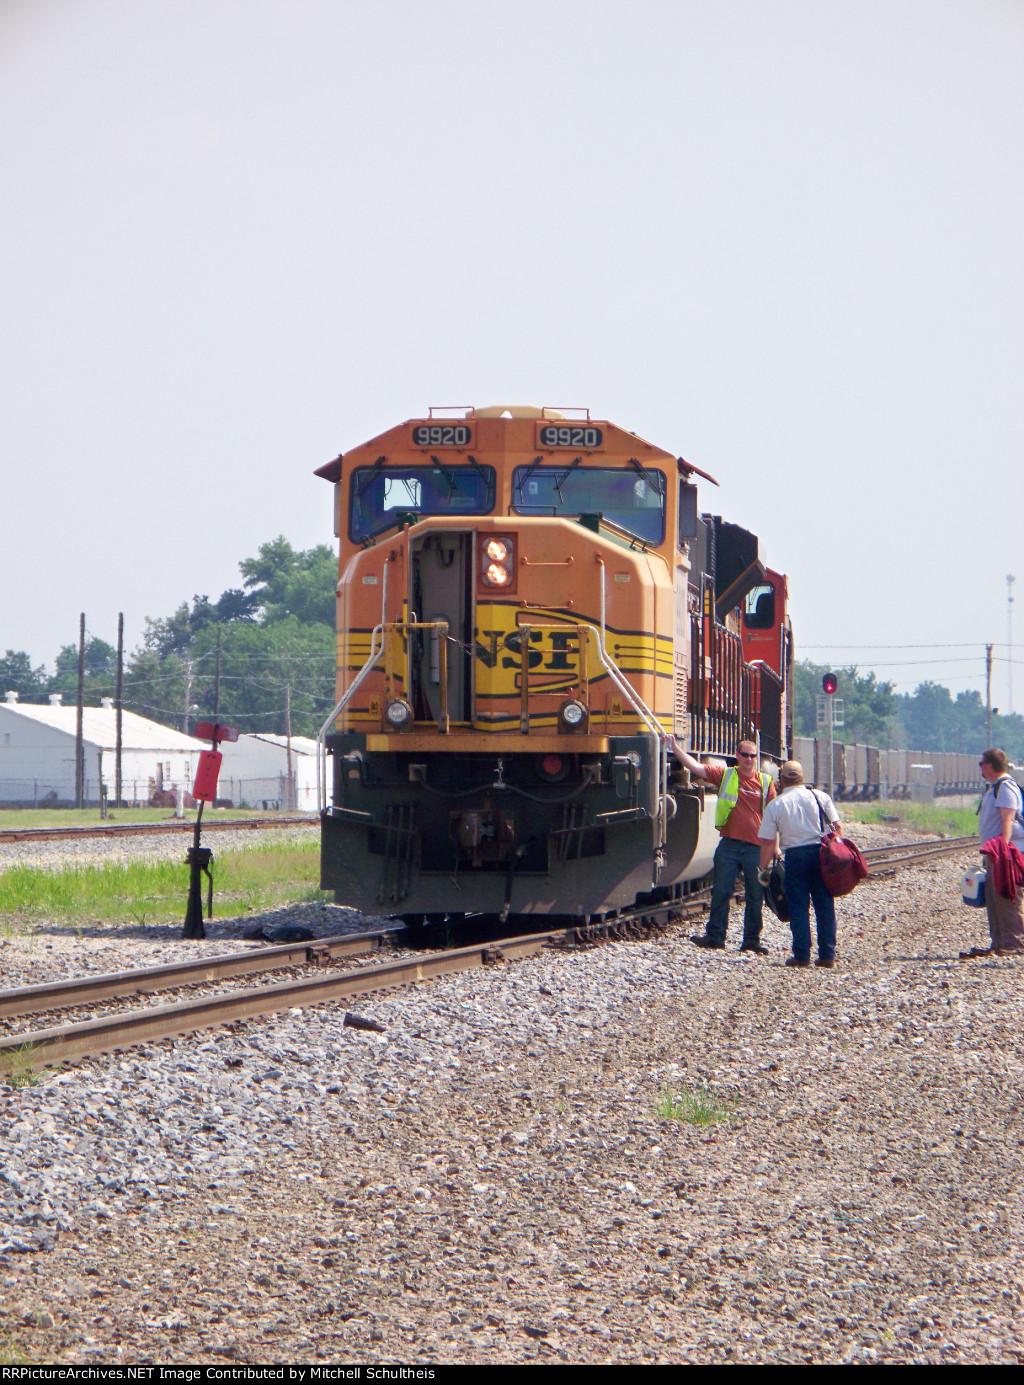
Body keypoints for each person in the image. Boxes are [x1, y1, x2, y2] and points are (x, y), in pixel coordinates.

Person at [672, 738, 776, 954]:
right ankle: (715, 937)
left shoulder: (766, 782)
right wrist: (674, 748)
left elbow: (775, 816)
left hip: (755, 848)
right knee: (720, 891)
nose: (749, 759)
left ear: (756, 758)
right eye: (745, 755)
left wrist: (775, 846)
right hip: (729, 845)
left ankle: (751, 941)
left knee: (755, 896)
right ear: (737, 756)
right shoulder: (727, 775)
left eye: (753, 755)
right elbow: (695, 767)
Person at [757, 760, 842, 968]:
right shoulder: (820, 796)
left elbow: (768, 842)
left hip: (795, 858)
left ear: (782, 780)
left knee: (798, 906)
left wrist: (763, 868)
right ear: (802, 777)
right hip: (821, 855)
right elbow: (838, 828)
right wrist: (835, 853)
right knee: (824, 905)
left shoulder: (776, 804)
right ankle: (828, 955)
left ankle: (802, 955)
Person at [970, 748, 1024, 957]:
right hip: (996, 853)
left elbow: (1008, 818)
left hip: (1007, 853)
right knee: (994, 898)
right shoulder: (994, 787)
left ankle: (1015, 943)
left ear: (990, 765)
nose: (980, 768)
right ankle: (1000, 943)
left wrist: (1003, 848)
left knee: (1007, 896)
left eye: (981, 763)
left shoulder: (1005, 786)